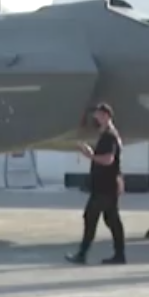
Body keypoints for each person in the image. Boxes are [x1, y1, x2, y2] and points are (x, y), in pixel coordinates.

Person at [65, 102, 126, 265]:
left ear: (106, 116)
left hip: (105, 187)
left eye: (98, 115)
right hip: (108, 185)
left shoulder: (109, 136)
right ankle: (119, 255)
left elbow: (109, 159)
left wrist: (90, 156)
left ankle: (82, 254)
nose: (96, 118)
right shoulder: (109, 135)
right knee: (112, 220)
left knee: (91, 217)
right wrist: (90, 153)